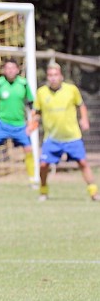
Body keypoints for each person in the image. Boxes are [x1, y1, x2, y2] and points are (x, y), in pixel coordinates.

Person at [33, 62, 99, 202]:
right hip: (51, 138)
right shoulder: (41, 92)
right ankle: (43, 191)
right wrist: (32, 123)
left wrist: (84, 119)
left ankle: (94, 192)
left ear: (61, 76)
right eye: (50, 75)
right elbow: (37, 112)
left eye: (55, 75)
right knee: (43, 165)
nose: (53, 78)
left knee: (82, 163)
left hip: (72, 136)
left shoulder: (71, 90)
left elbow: (81, 105)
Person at [0, 58, 37, 189]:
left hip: (20, 125)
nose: (10, 70)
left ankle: (33, 179)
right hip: (1, 124)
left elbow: (31, 104)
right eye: (7, 68)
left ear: (17, 70)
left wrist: (34, 119)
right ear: (4, 70)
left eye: (12, 68)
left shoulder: (23, 84)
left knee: (28, 149)